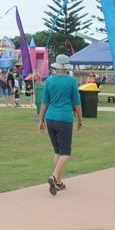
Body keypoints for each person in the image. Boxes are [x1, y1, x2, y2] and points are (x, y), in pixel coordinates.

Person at [38, 54, 83, 196]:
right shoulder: (72, 81)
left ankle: (58, 182)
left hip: (50, 118)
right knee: (65, 153)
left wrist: (41, 120)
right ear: (67, 67)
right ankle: (53, 176)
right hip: (64, 118)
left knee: (57, 150)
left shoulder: (49, 81)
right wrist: (81, 119)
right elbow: (77, 103)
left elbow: (44, 102)